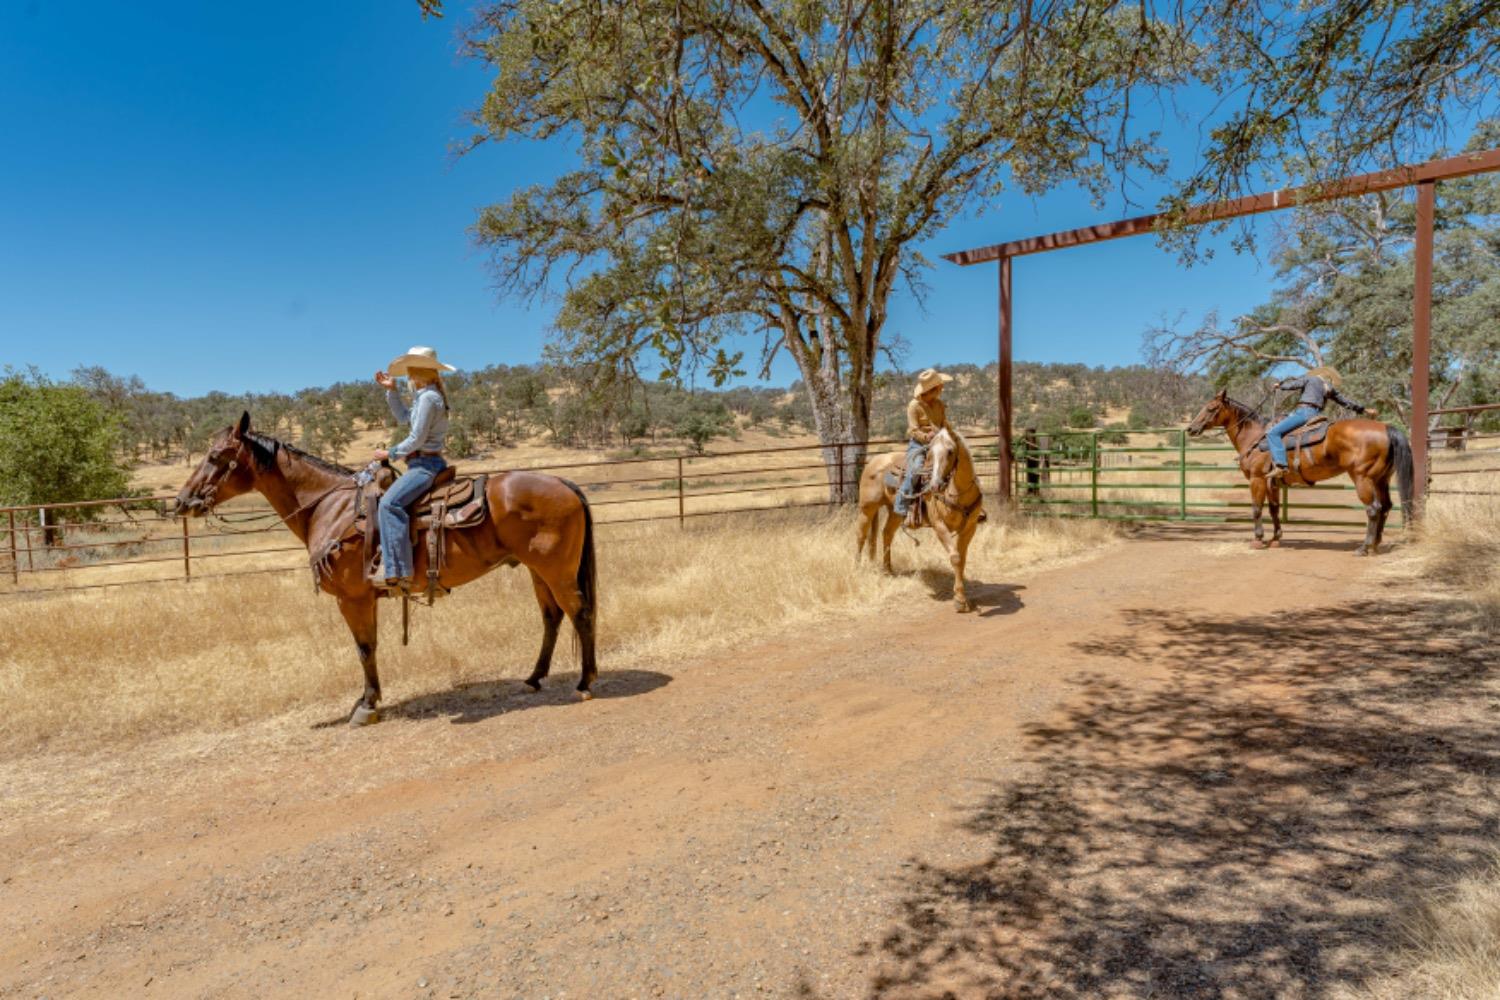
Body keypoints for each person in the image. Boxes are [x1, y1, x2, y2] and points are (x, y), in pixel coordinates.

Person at [372, 345, 455, 591]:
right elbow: (405, 419)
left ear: (420, 371)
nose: (408, 374)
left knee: (389, 504)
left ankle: (399, 570)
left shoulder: (429, 397)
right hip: (422, 462)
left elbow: (417, 438)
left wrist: (391, 453)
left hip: (425, 465)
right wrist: (392, 392)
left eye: (410, 369)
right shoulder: (426, 396)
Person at [1266, 366, 1377, 482]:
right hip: (1316, 414)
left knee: (1273, 433)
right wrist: (1363, 410)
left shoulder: (1310, 378)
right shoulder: (1329, 387)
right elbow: (1345, 402)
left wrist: (1280, 386)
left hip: (1303, 412)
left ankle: (1281, 466)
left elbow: (1294, 385)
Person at [894, 368, 954, 524]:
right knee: (915, 471)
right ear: (932, 390)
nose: (942, 389)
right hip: (919, 445)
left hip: (939, 443)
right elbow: (913, 430)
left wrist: (951, 433)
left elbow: (944, 423)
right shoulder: (914, 406)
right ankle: (902, 506)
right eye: (940, 387)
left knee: (958, 463)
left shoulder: (939, 404)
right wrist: (926, 436)